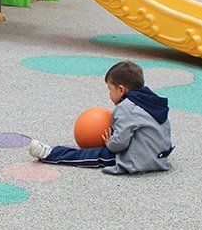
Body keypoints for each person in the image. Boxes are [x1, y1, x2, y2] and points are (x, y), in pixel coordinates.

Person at [28, 60, 174, 174]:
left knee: (92, 155)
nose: (109, 94)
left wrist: (110, 143)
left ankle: (49, 153)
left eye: (110, 89)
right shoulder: (152, 100)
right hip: (159, 159)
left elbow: (119, 145)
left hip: (138, 160)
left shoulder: (127, 108)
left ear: (121, 89)